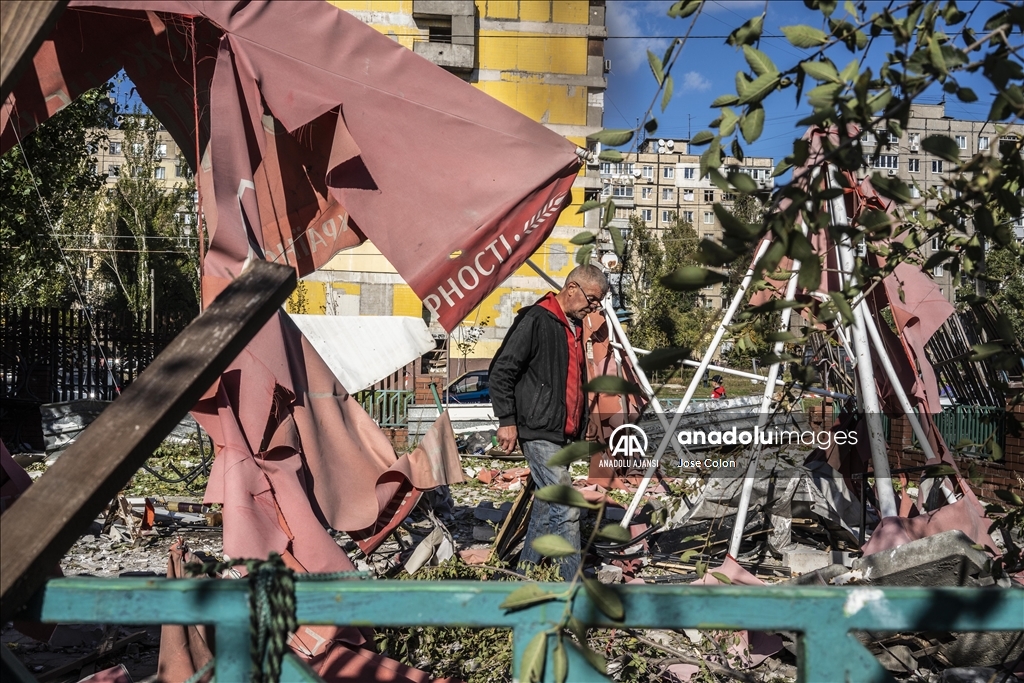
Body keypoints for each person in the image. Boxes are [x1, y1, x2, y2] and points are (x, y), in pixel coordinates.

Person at [489, 264, 609, 580]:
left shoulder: (573, 328)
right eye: (592, 300)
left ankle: (524, 575)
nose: (594, 308)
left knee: (545, 511)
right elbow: (502, 370)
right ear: (572, 288)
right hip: (537, 429)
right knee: (566, 505)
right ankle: (571, 586)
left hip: (560, 433)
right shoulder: (537, 319)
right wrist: (507, 420)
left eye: (598, 303)